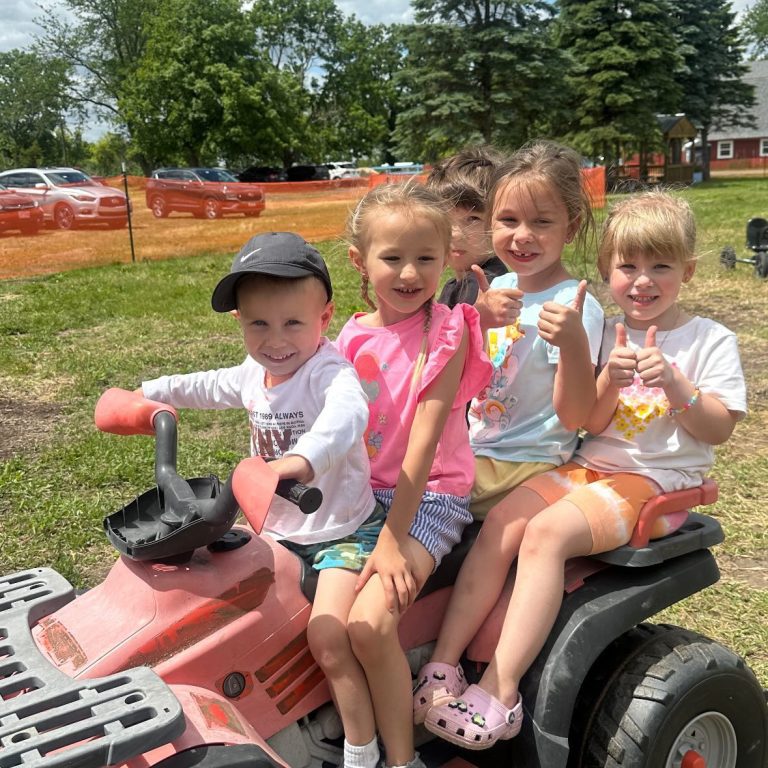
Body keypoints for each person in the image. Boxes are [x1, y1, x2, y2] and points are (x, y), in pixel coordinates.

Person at [420, 189, 746, 751]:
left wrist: (675, 383)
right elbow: (589, 420)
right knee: (502, 525)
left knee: (545, 535)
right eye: (628, 266)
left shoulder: (709, 340)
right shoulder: (607, 329)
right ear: (607, 270)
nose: (642, 281)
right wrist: (608, 380)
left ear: (687, 271)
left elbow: (717, 428)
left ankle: (500, 691)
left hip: (657, 483)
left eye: (660, 267)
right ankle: (442, 667)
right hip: (588, 466)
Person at [412, 140, 605, 738]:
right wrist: (472, 323)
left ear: (572, 226)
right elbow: (462, 387)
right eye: (508, 219)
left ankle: (443, 662)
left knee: (422, 520)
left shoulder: (574, 306)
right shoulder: (490, 291)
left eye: (542, 222)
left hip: (527, 463)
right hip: (476, 452)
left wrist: (573, 343)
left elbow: (575, 414)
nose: (522, 236)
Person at [329, 182, 492, 768]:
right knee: (323, 622)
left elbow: (422, 446)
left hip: (428, 499)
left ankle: (402, 761)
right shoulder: (350, 336)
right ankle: (355, 742)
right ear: (359, 260)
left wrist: (393, 539)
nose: (408, 273)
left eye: (425, 257)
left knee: (370, 627)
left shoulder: (447, 330)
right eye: (392, 257)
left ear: (447, 258)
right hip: (359, 497)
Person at [426, 146, 508, 311]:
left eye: (473, 219)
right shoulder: (458, 284)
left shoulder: (482, 286)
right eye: (444, 219)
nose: (455, 234)